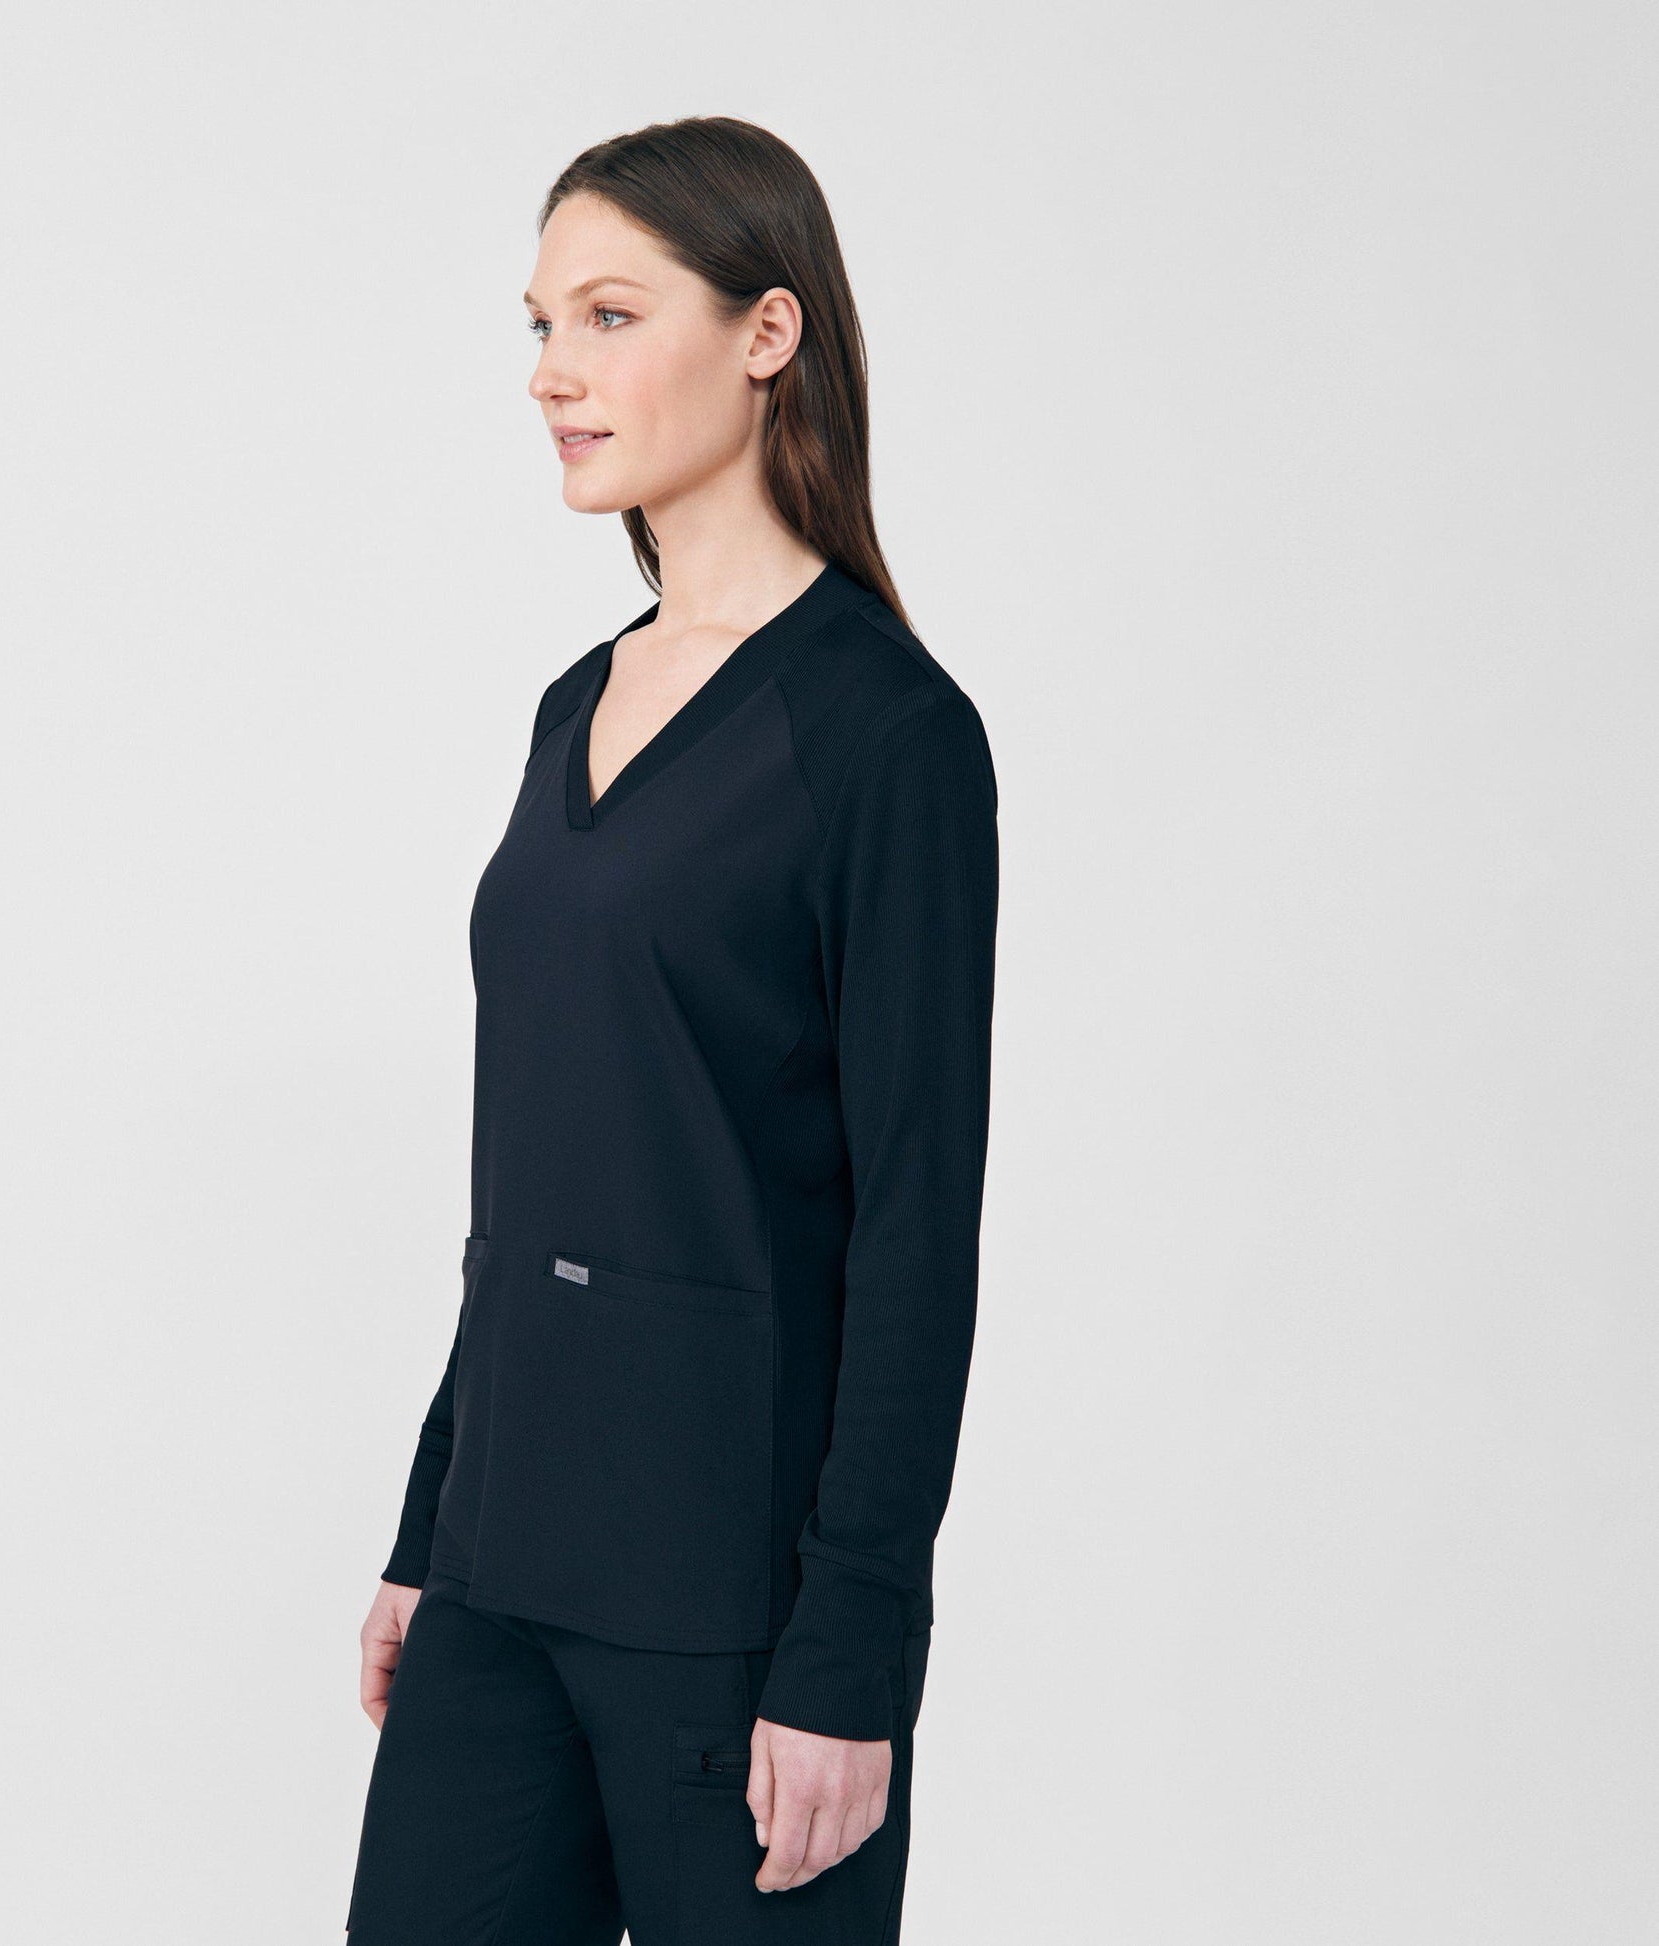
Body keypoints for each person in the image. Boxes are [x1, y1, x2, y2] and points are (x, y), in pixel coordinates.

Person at [343, 114, 999, 1945]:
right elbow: (546, 1164)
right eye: (541, 324)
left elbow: (915, 1222)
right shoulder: (576, 701)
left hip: (734, 1614)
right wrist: (431, 1525)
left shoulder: (885, 736)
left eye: (610, 316)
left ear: (767, 330)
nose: (552, 372)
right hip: (500, 1572)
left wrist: (852, 1648)